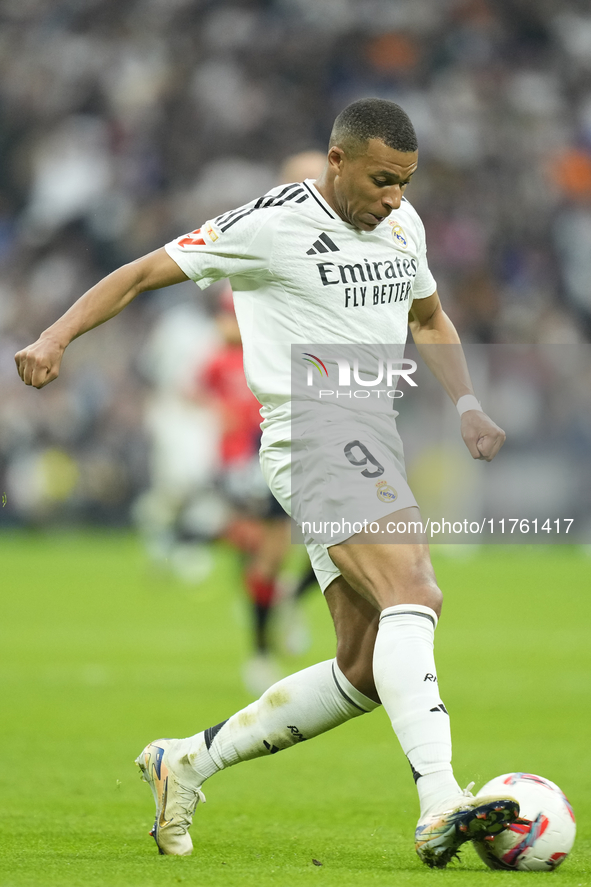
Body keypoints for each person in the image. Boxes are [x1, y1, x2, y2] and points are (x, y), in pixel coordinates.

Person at [15, 98, 518, 868]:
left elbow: (429, 318)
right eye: (382, 179)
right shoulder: (269, 224)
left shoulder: (402, 225)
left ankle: (185, 760)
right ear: (337, 158)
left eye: (405, 184)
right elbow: (144, 270)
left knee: (363, 663)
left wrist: (469, 403)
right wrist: (54, 335)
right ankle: (441, 799)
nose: (393, 198)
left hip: (369, 433)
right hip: (316, 429)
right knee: (415, 591)